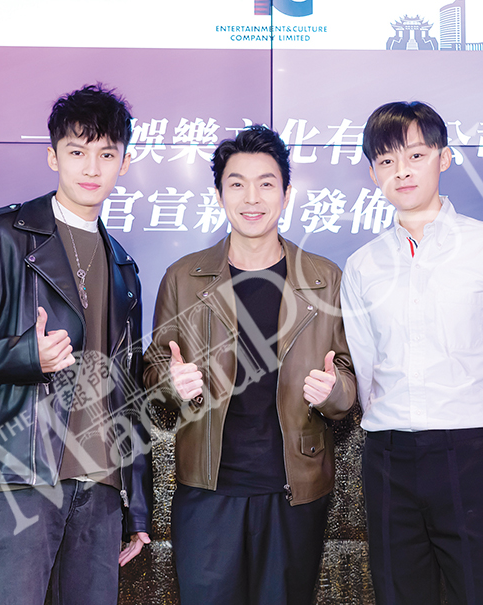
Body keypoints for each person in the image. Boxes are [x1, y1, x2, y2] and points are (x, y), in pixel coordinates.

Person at [0, 83, 152, 605]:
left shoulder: (124, 267)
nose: (91, 167)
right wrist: (26, 355)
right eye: (77, 152)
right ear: (53, 157)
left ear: (125, 162)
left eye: (106, 154)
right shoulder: (0, 236)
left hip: (101, 489)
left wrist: (137, 504)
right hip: (21, 477)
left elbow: (129, 393)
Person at [143, 125, 357, 605]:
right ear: (220, 194)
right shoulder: (183, 277)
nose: (252, 197)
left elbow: (347, 373)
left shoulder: (324, 278)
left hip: (295, 492)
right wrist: (171, 384)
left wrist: (334, 392)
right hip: (207, 491)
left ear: (286, 193)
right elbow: (155, 369)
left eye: (266, 183)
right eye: (237, 184)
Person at [340, 101, 483, 605]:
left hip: (471, 455)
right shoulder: (362, 266)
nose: (402, 171)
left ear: (444, 158)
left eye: (416, 155)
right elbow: (365, 371)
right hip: (388, 459)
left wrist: (477, 437)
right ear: (373, 174)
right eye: (386, 161)